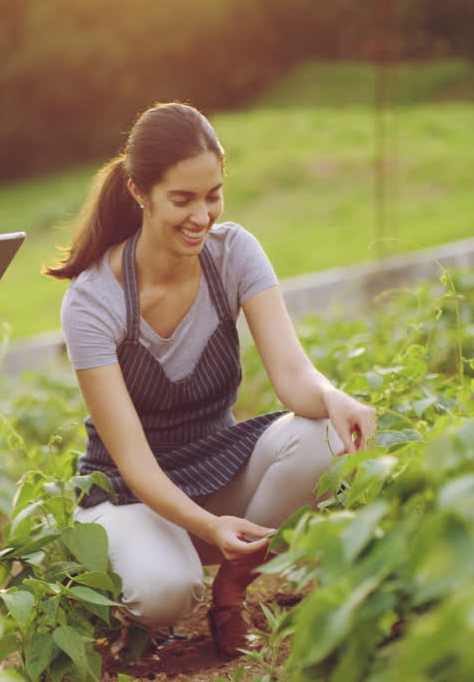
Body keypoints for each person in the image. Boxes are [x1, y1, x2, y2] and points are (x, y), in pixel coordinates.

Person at [46, 102, 379, 658]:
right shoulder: (93, 301)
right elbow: (132, 460)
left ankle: (231, 593)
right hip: (130, 491)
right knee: (166, 592)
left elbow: (294, 376)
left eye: (213, 195)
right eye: (182, 199)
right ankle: (140, 576)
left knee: (321, 435)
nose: (202, 216)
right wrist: (207, 526)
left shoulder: (234, 255)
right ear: (139, 191)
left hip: (216, 462)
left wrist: (332, 396)